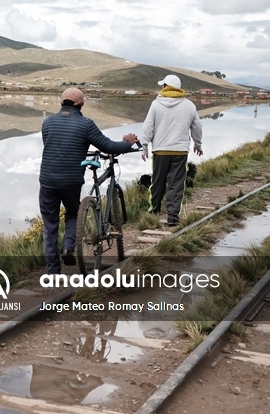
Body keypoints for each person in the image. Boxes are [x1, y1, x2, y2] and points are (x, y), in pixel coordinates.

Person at [39, 87, 138, 273]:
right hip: (71, 181)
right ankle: (68, 247)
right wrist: (128, 142)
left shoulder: (48, 122)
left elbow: (54, 145)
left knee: (50, 224)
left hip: (47, 181)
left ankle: (52, 270)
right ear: (81, 104)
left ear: (61, 103)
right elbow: (109, 146)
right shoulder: (85, 124)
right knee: (72, 214)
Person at [139, 74, 203, 227]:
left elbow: (148, 126)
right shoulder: (189, 105)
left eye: (163, 85)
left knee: (157, 182)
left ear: (165, 87)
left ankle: (153, 212)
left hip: (160, 150)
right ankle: (173, 217)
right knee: (176, 184)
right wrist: (198, 144)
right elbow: (197, 127)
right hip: (180, 151)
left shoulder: (156, 104)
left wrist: (144, 146)